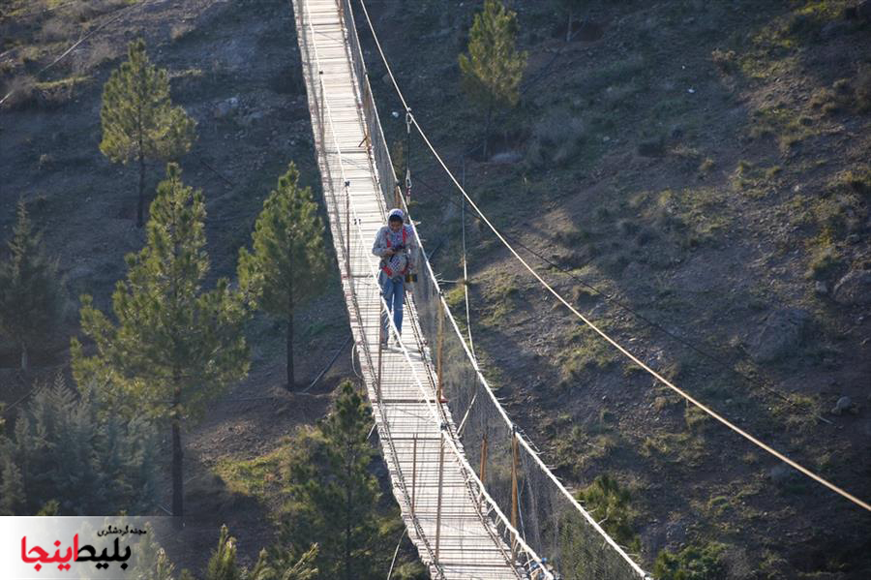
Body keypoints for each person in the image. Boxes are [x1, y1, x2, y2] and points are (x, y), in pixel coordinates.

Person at [372, 208, 417, 346]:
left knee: (399, 306)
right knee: (386, 305)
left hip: (403, 273)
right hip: (387, 273)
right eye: (392, 225)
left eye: (398, 225)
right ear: (388, 222)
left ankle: (398, 335)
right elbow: (374, 250)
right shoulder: (383, 232)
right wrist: (385, 251)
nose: (395, 228)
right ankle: (383, 337)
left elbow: (415, 249)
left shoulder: (409, 232)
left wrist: (411, 279)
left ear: (402, 223)